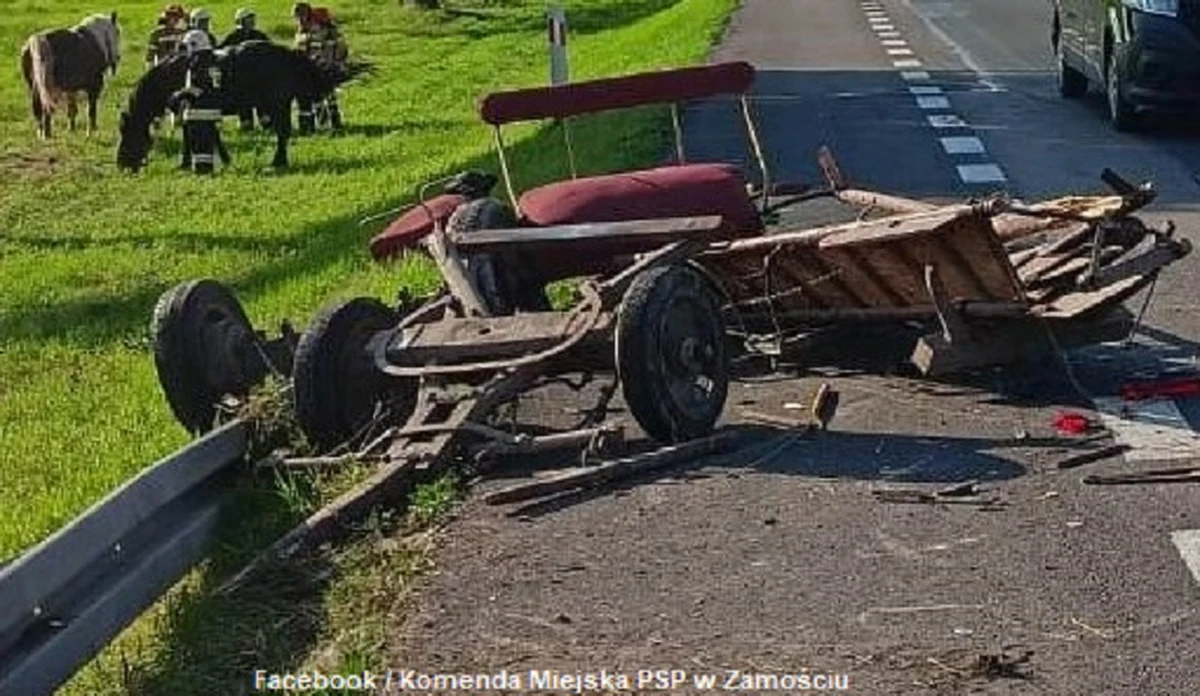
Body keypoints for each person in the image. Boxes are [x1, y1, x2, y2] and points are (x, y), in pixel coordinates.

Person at [168, 30, 230, 175]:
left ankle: (203, 171)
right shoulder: (214, 61)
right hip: (212, 109)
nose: (186, 50)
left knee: (200, 143)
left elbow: (198, 88)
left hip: (199, 110)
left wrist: (179, 95)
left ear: (194, 45)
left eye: (188, 46)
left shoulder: (198, 62)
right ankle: (213, 165)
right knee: (208, 141)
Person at [292, 2, 347, 132]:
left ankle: (330, 123)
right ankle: (330, 122)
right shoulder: (306, 26)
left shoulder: (317, 27)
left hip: (322, 65)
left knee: (324, 95)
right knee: (323, 95)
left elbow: (313, 46)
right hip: (316, 65)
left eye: (300, 16)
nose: (299, 20)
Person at [220, 8, 271, 131]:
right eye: (248, 19)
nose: (251, 21)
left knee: (262, 101)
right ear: (241, 21)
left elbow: (270, 50)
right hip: (240, 78)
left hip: (259, 77)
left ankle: (265, 121)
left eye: (252, 19)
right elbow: (222, 52)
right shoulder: (233, 37)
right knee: (244, 102)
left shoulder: (259, 36)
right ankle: (246, 123)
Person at [145, 4, 188, 69]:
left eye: (175, 16)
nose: (172, 19)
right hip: (162, 68)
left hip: (179, 68)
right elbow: (150, 56)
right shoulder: (157, 33)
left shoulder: (185, 33)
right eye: (169, 15)